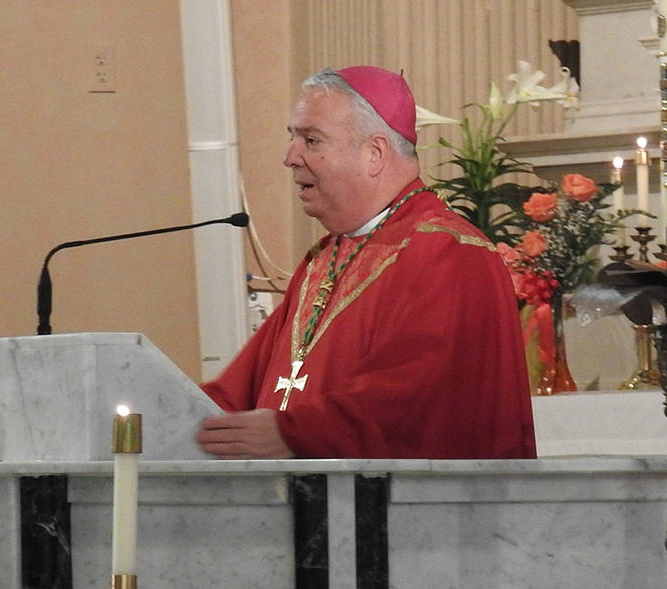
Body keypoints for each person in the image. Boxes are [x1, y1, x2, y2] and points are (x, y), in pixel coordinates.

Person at [195, 66, 536, 459]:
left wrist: (293, 435)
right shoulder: (324, 259)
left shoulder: (448, 252)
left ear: (374, 153)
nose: (290, 157)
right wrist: (160, 415)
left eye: (311, 140)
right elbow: (235, 392)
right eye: (293, 138)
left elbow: (418, 402)